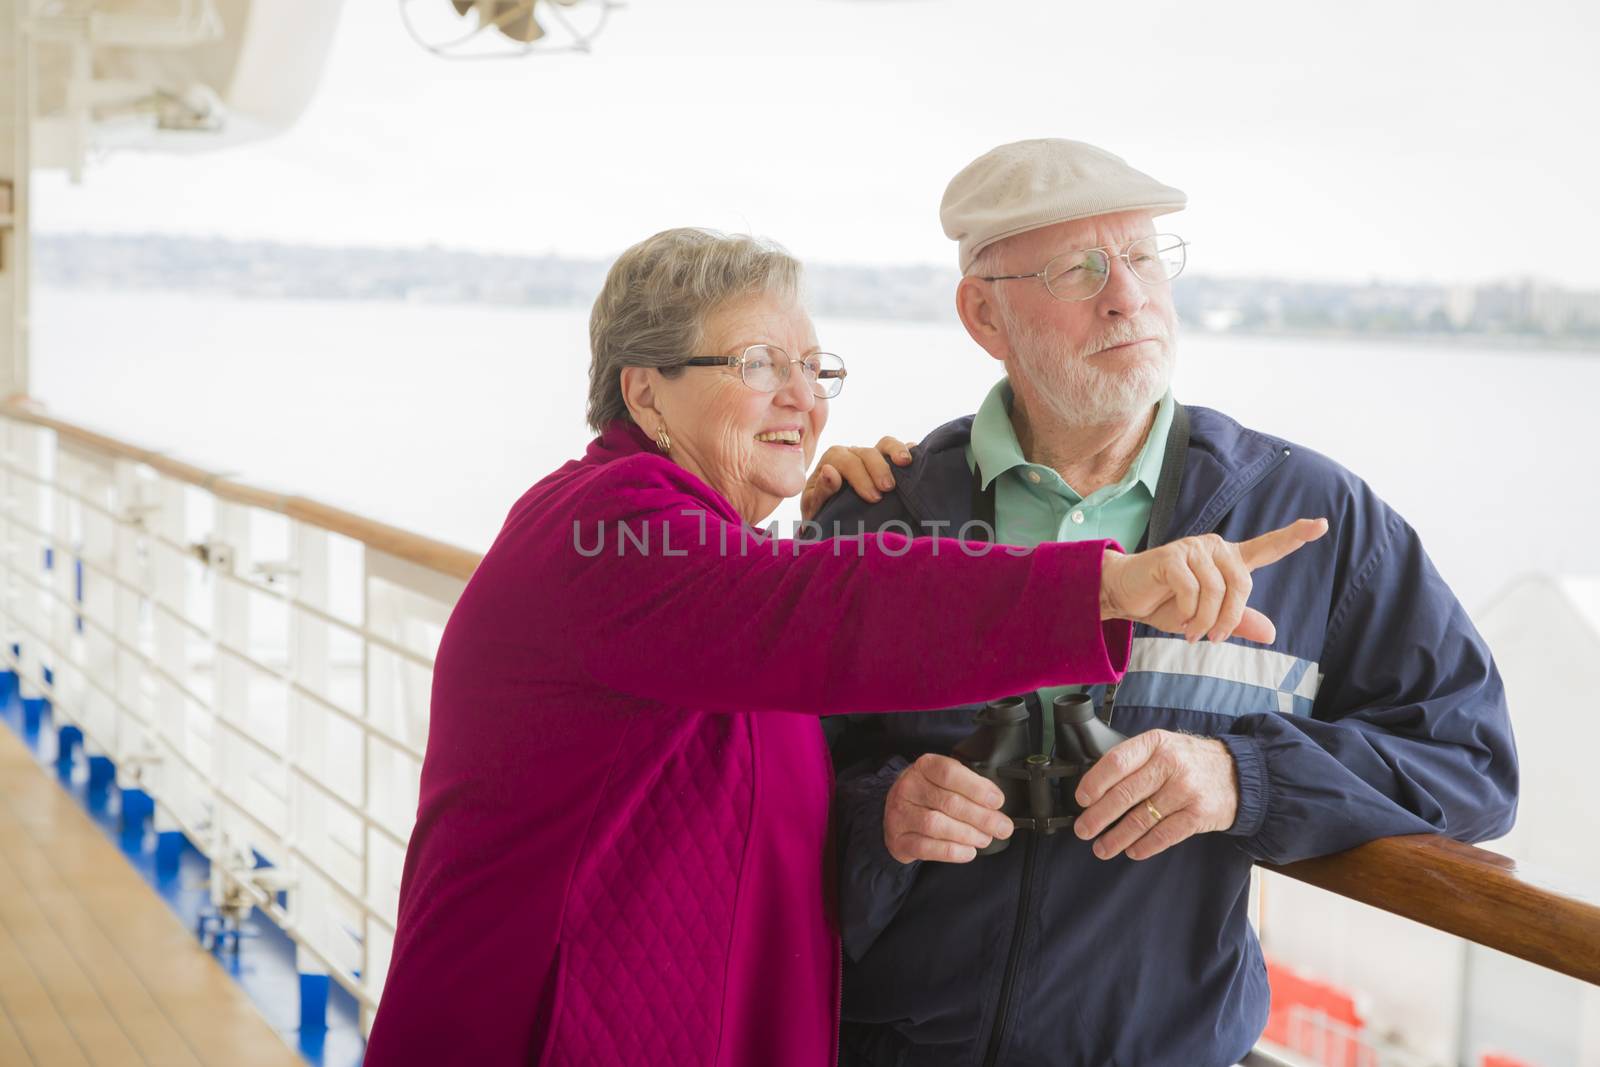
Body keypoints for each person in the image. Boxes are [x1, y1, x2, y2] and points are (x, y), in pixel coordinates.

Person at [360, 226, 1323, 1067]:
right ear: (645, 391)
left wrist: (812, 532)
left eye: (814, 369)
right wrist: (1103, 583)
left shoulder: (695, 552)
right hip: (538, 1027)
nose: (803, 399)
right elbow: (825, 612)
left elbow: (774, 633)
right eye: (755, 364)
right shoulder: (606, 528)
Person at [804, 139, 1519, 1067]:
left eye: (1142, 257)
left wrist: (1243, 779)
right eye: (1079, 269)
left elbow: (1471, 765)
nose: (1126, 295)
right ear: (985, 314)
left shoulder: (1314, 516)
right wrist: (882, 816)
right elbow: (755, 792)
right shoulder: (878, 519)